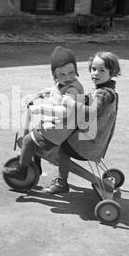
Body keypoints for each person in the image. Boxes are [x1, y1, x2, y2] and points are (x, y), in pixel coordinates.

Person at [2, 46, 84, 189]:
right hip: (57, 125)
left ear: (76, 70)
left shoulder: (72, 89)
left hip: (61, 128)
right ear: (55, 76)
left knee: (28, 140)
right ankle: (36, 167)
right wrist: (38, 94)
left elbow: (64, 111)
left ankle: (22, 172)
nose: (67, 77)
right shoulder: (62, 84)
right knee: (35, 133)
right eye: (62, 75)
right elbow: (53, 90)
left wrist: (40, 108)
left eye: (71, 72)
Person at [50, 51, 121, 194]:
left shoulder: (104, 94)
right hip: (95, 139)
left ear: (112, 72)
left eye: (102, 70)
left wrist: (71, 103)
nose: (96, 73)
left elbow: (92, 111)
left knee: (63, 146)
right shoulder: (106, 90)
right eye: (94, 69)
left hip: (89, 144)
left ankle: (61, 182)